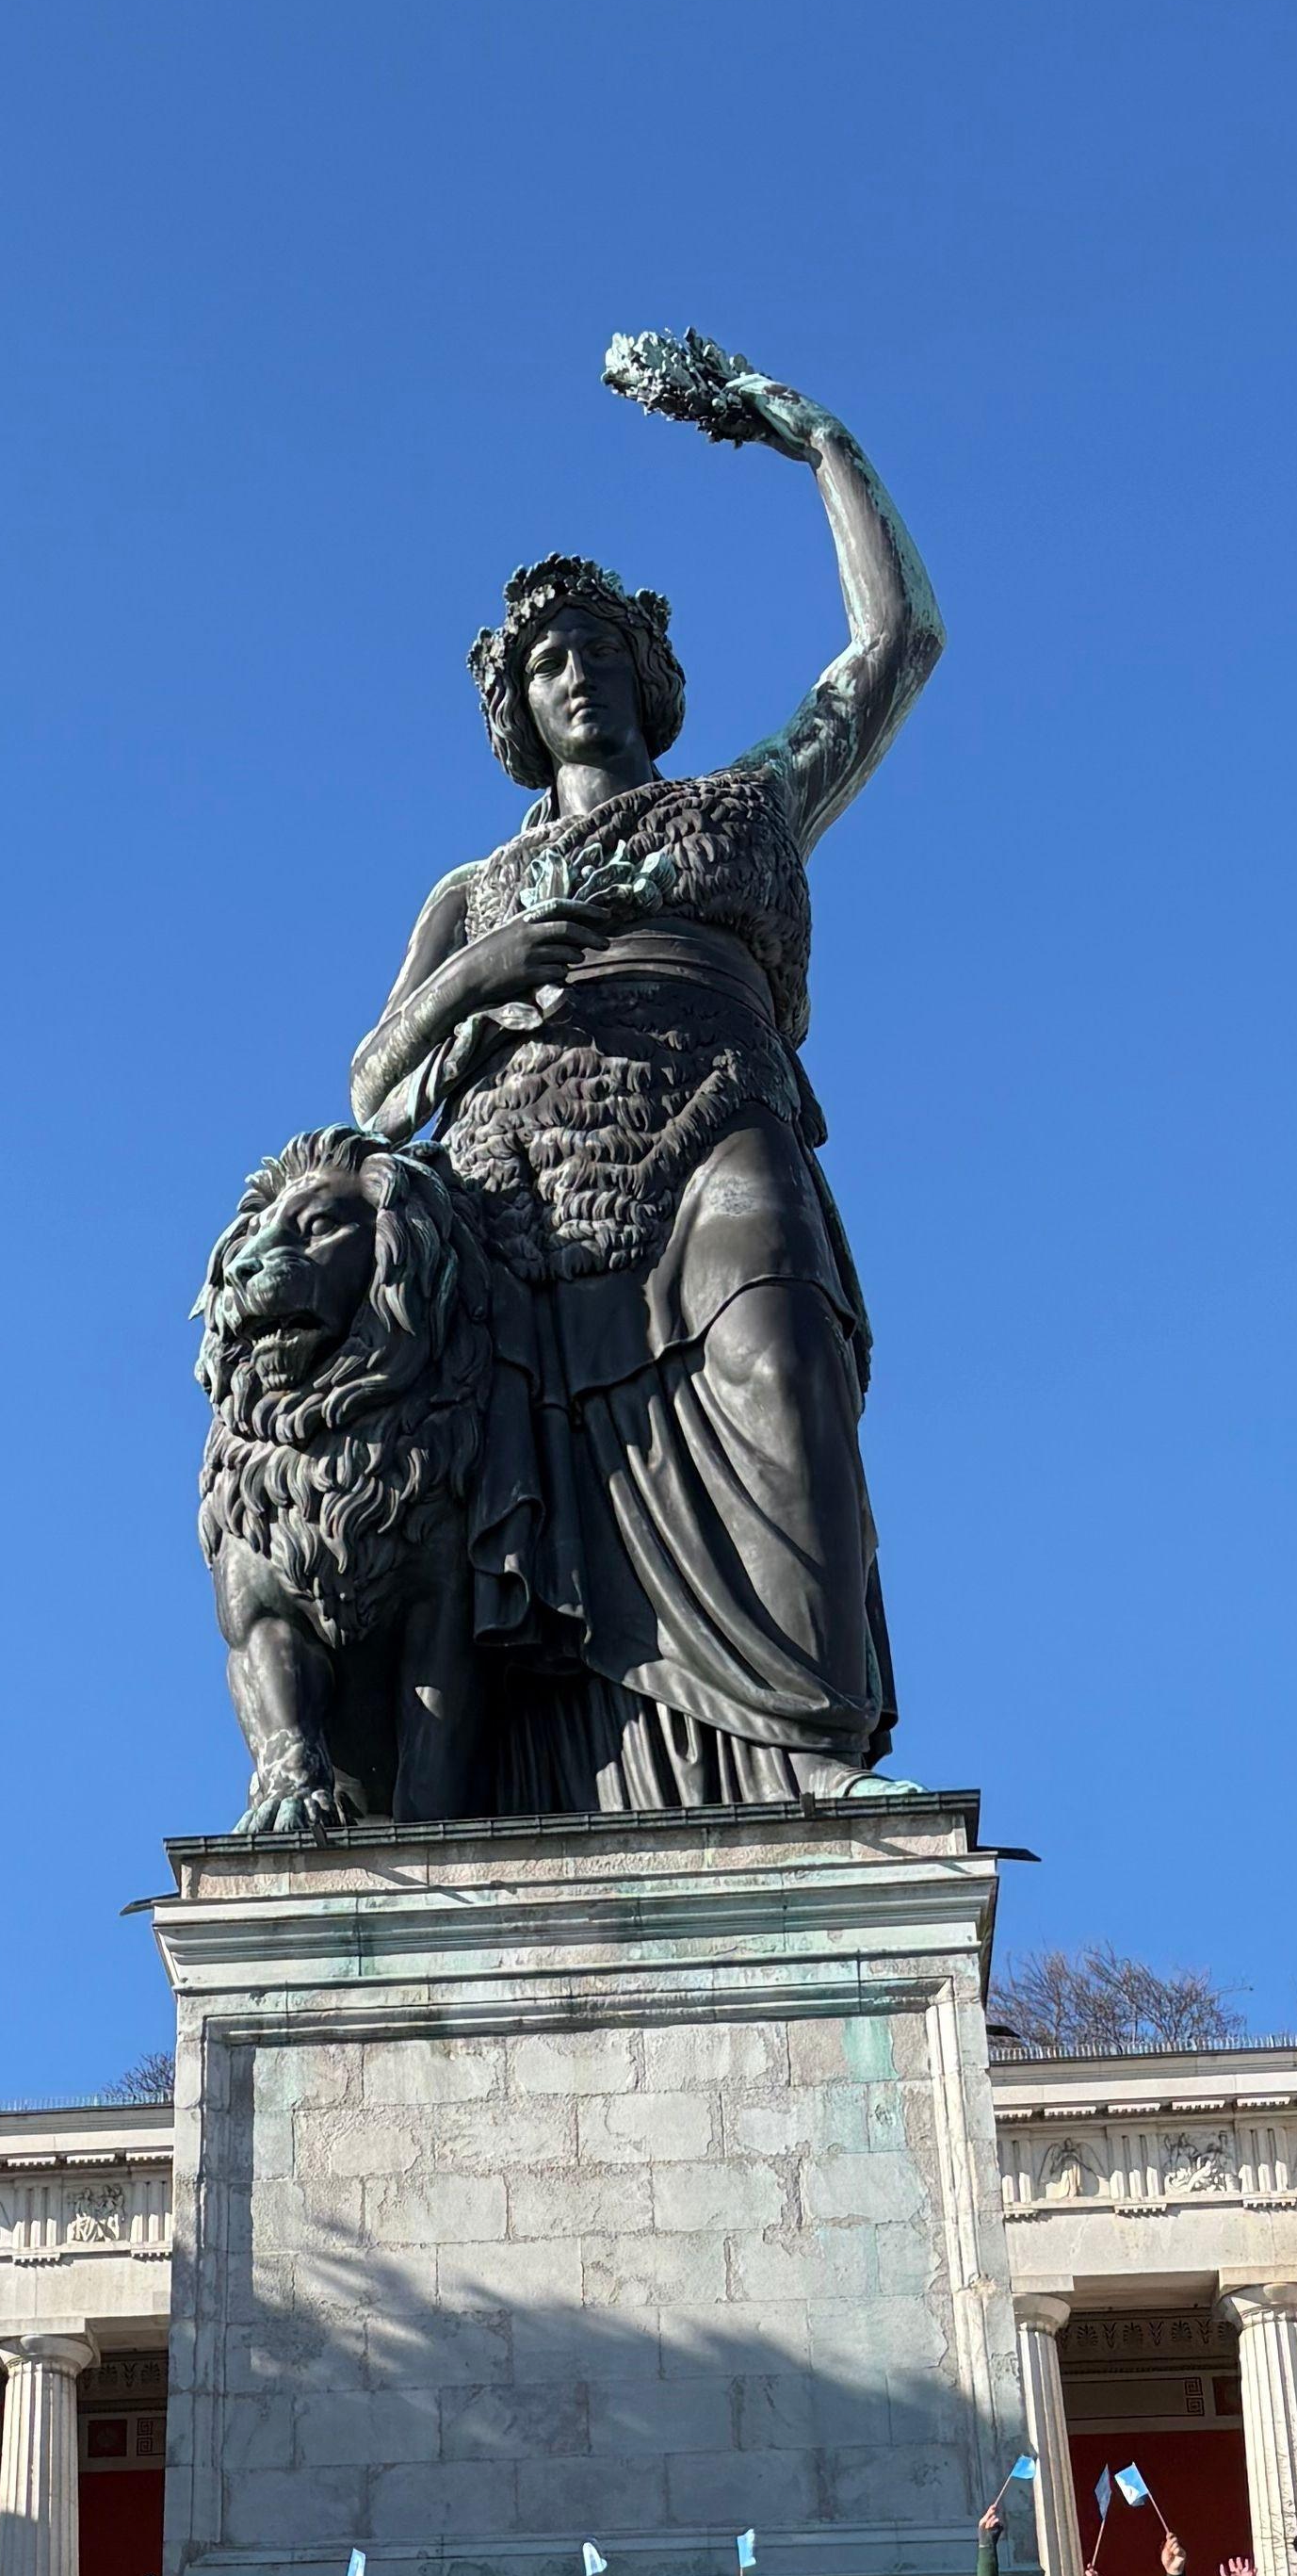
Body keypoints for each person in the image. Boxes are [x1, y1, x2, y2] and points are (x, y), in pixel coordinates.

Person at [340, 350, 940, 1812]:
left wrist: (813, 438)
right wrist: (479, 975)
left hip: (712, 1113)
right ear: (519, 709)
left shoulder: (748, 805)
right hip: (516, 1187)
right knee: (513, 1471)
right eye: (553, 663)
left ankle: (805, 1737)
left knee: (776, 1337)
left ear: (650, 678)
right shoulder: (476, 886)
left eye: (605, 653)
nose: (582, 676)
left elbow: (894, 644)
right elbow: (373, 1088)